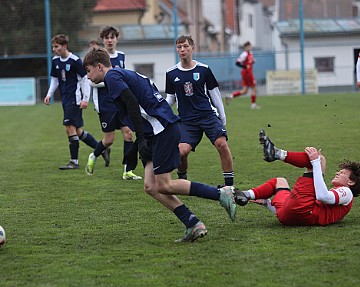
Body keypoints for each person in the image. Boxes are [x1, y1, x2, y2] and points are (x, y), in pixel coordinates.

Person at [83, 47, 237, 242]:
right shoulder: (122, 74)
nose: (87, 77)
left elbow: (131, 103)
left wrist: (141, 139)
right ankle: (192, 223)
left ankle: (221, 194)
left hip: (161, 129)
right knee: (150, 186)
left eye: (88, 71)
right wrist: (140, 139)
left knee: (164, 184)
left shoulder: (112, 76)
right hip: (154, 131)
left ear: (99, 66)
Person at [234, 130, 360, 226]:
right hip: (289, 216)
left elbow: (322, 196)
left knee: (320, 160)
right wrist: (267, 204)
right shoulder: (339, 196)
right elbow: (294, 211)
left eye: (342, 173)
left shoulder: (347, 192)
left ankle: (277, 153)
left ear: (351, 181)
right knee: (280, 182)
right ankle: (246, 194)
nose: (337, 173)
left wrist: (315, 162)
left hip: (305, 211)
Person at [165, 35, 235, 187]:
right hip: (187, 121)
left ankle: (229, 186)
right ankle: (183, 180)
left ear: (192, 48)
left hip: (208, 116)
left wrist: (222, 118)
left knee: (222, 144)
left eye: (185, 46)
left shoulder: (203, 69)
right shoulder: (171, 73)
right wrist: (159, 110)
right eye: (179, 47)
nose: (182, 49)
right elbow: (171, 99)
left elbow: (215, 94)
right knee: (181, 152)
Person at [86, 26, 141, 180]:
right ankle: (93, 155)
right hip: (106, 105)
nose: (110, 40)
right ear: (102, 40)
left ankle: (127, 170)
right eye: (106, 38)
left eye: (112, 37)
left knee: (128, 134)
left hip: (120, 102)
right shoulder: (98, 57)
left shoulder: (121, 56)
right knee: (109, 140)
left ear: (117, 39)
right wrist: (111, 83)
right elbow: (91, 82)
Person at [43, 34, 106, 170]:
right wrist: (49, 94)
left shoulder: (75, 61)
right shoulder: (55, 61)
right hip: (65, 99)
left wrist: (85, 99)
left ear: (64, 46)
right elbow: (54, 80)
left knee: (69, 128)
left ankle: (74, 161)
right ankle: (101, 148)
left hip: (75, 99)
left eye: (56, 46)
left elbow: (85, 80)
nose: (54, 49)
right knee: (77, 131)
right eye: (53, 47)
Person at [226, 41, 260, 109]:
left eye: (250, 46)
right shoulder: (244, 54)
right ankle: (253, 105)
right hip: (247, 73)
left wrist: (252, 61)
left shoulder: (250, 53)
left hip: (247, 73)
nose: (250, 47)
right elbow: (237, 63)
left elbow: (250, 61)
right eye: (248, 46)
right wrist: (245, 67)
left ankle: (230, 96)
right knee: (254, 88)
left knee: (245, 91)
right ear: (245, 47)